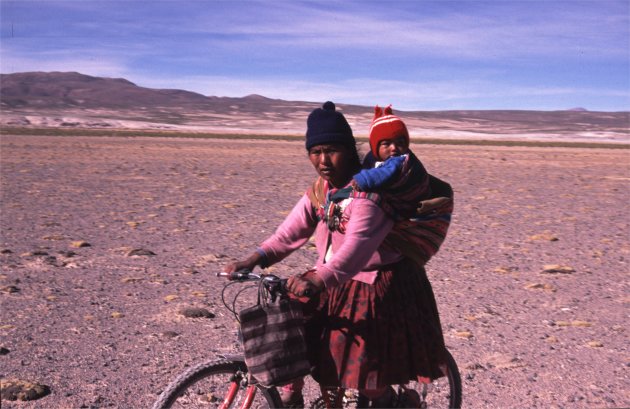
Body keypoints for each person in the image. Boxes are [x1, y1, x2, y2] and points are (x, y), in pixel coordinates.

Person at [224, 101, 448, 408]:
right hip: (331, 278)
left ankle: (390, 402)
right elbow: (290, 232)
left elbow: (357, 249)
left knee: (364, 373)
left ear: (349, 149)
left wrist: (320, 278)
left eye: (332, 150)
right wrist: (255, 258)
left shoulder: (370, 194)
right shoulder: (322, 190)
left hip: (373, 283)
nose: (323, 160)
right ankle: (291, 397)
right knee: (293, 339)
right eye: (315, 152)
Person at [353, 105, 432, 220]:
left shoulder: (401, 160)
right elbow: (367, 168)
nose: (394, 148)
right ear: (376, 147)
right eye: (386, 144)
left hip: (407, 206)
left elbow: (385, 172)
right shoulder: (372, 156)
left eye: (400, 143)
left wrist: (361, 180)